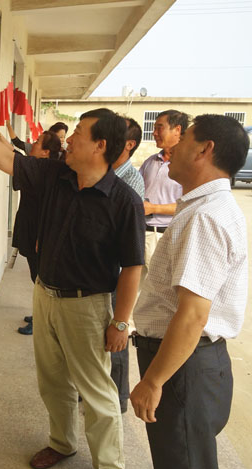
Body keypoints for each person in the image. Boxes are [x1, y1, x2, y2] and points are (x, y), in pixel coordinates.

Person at [0, 92, 144, 469]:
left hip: (88, 306)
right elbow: (6, 159)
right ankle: (62, 442)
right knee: (52, 381)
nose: (70, 139)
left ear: (100, 146)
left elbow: (132, 267)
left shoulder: (124, 201)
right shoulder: (56, 176)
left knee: (96, 391)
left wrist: (121, 322)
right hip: (45, 294)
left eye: (79, 133)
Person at [130, 115, 250, 469]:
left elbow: (193, 315)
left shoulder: (205, 216)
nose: (172, 148)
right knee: (183, 466)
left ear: (204, 150)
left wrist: (153, 381)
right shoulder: (206, 207)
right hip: (190, 363)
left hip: (184, 368)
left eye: (183, 141)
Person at [0, 126, 62, 335]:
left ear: (46, 152)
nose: (32, 145)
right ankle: (39, 314)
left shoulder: (44, 173)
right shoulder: (37, 167)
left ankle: (42, 320)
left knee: (40, 278)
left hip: (37, 233)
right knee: (36, 276)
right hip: (30, 228)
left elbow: (12, 158)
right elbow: (14, 155)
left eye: (38, 142)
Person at [110, 116, 144, 413]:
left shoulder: (131, 180)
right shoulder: (103, 171)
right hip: (96, 272)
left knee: (116, 335)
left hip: (117, 273)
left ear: (129, 144)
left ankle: (119, 396)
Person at [139, 110, 188, 281]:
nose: (154, 133)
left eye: (159, 128)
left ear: (177, 130)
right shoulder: (150, 162)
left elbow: (189, 204)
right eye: (154, 128)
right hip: (141, 233)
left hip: (164, 236)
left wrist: (154, 208)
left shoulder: (187, 165)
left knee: (160, 288)